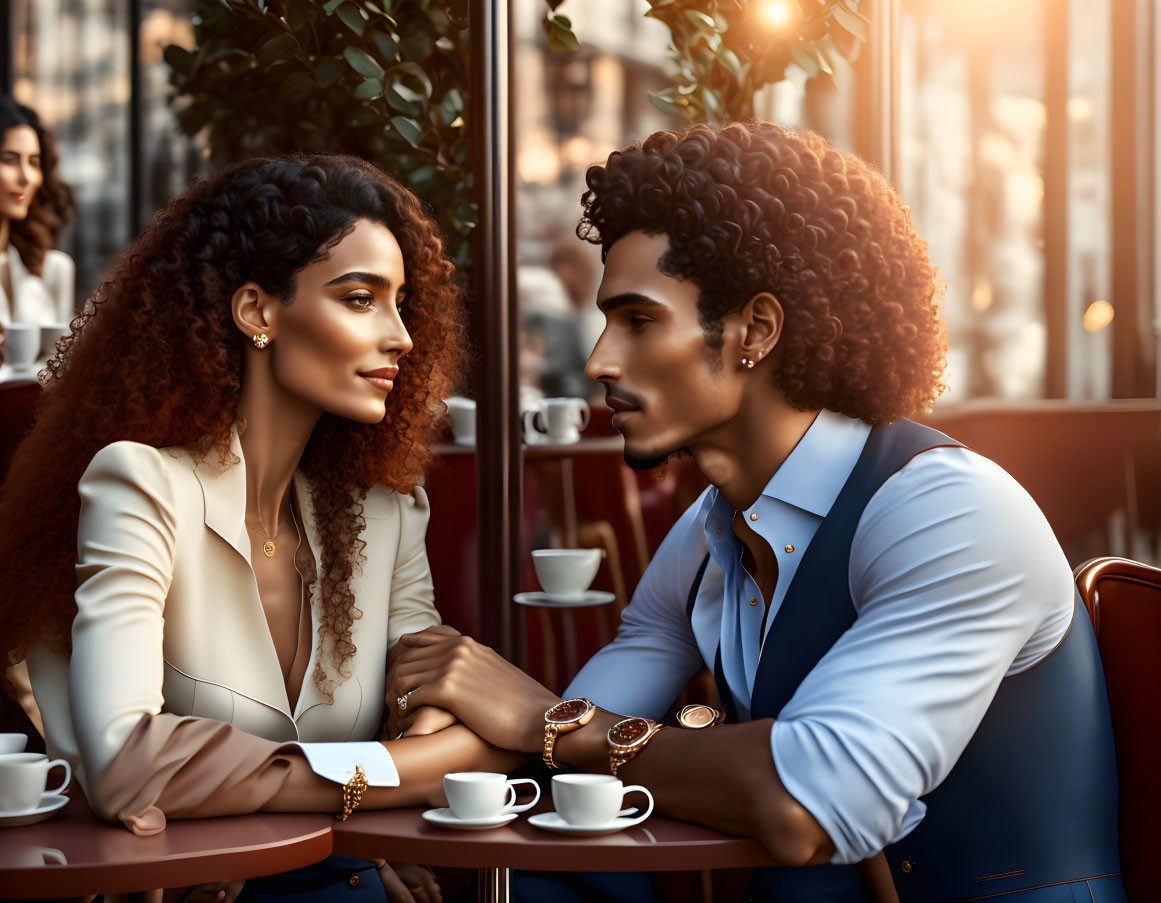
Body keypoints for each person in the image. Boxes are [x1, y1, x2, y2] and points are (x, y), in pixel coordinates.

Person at [385, 123, 1124, 902]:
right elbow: (561, 747)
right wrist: (417, 775)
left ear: (755, 332)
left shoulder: (950, 511)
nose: (599, 360)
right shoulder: (709, 532)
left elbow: (804, 801)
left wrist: (542, 714)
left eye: (638, 320)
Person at [0, 154, 519, 902]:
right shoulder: (142, 483)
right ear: (257, 313)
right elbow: (124, 766)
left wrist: (294, 801)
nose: (401, 335)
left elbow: (442, 700)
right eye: (360, 298)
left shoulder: (386, 508)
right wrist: (383, 790)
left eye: (401, 301)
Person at [0, 95, 76, 365]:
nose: (26, 177)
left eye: (33, 162)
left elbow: (63, 367)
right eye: (9, 159)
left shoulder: (54, 268)